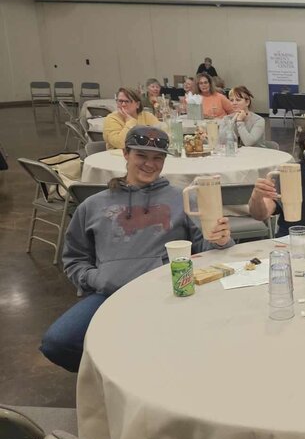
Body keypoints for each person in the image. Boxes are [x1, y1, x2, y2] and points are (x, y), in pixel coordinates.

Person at [39, 126, 234, 372]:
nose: (149, 164)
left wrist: (220, 240)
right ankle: (117, 375)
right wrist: (96, 278)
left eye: (157, 158)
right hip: (109, 295)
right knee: (57, 342)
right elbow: (75, 257)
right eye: (141, 156)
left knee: (200, 343)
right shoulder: (93, 206)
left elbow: (207, 251)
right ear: (126, 154)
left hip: (168, 293)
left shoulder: (182, 198)